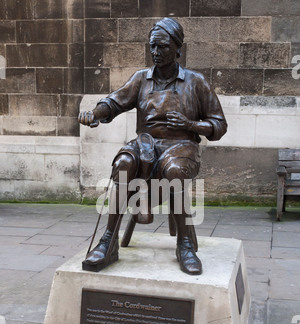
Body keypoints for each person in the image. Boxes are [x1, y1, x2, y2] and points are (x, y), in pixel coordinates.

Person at [78, 17, 227, 275]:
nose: (156, 53)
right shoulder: (141, 79)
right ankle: (108, 241)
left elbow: (219, 125)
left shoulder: (195, 82)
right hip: (146, 143)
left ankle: (184, 245)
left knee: (176, 171)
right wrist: (95, 113)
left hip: (181, 146)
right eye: (152, 47)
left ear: (178, 49)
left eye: (163, 47)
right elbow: (114, 102)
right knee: (124, 162)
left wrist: (190, 124)